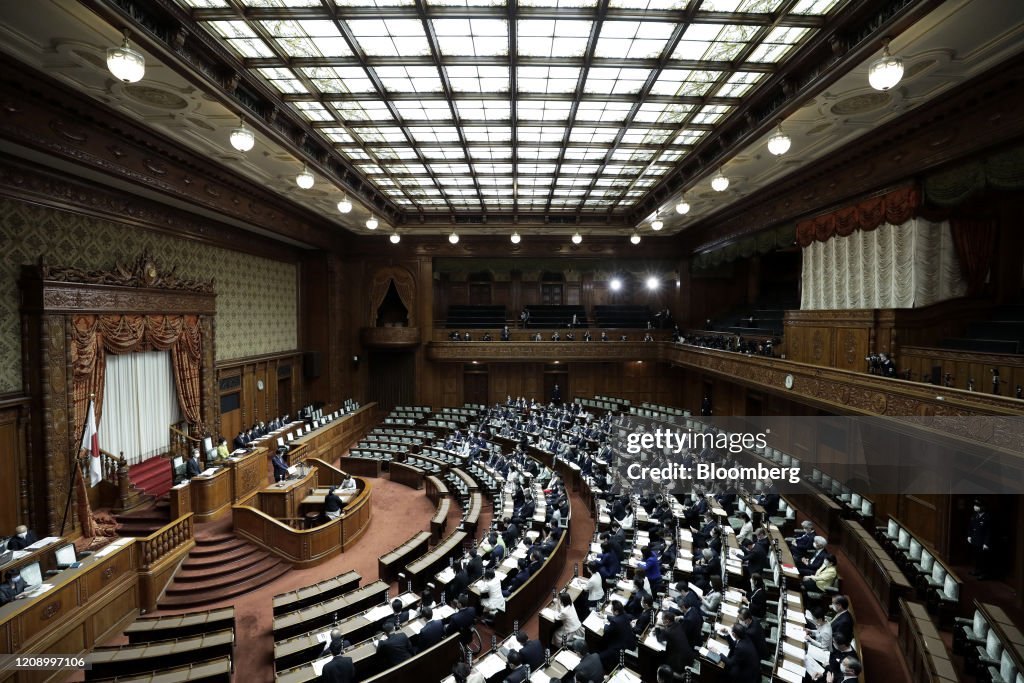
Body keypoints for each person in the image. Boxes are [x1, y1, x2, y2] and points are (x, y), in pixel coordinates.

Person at [598, 600, 637, 671]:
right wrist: (605, 616)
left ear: (616, 611)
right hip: (628, 642)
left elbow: (607, 630)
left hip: (618, 648)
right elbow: (617, 618)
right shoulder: (624, 614)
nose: (611, 611)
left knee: (599, 656)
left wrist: (605, 624)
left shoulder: (615, 621)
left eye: (612, 609)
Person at [968, 500, 992, 579]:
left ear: (982, 507)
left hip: (982, 542)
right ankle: (976, 570)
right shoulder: (974, 515)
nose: (975, 507)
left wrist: (986, 543)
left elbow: (989, 532)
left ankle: (984, 574)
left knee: (983, 559)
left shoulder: (987, 517)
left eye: (977, 505)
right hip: (975, 540)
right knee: (976, 557)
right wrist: (969, 536)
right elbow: (971, 527)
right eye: (975, 505)